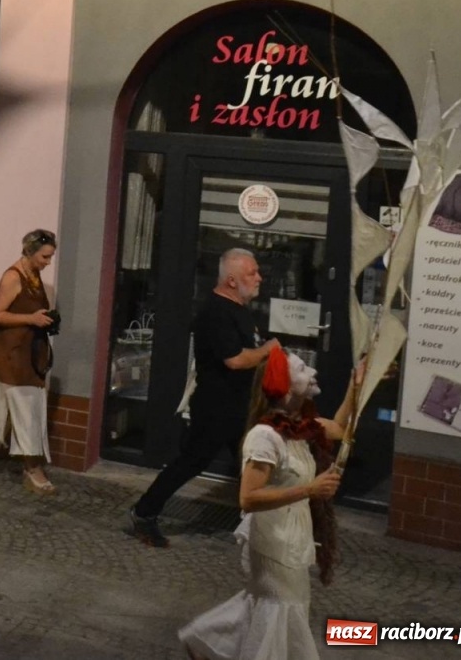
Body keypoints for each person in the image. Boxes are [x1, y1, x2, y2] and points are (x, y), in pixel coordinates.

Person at [178, 348, 361, 660]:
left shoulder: (300, 426)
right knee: (280, 607)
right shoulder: (265, 436)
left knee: (273, 606)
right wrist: (310, 489)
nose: (313, 372)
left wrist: (355, 386)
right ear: (285, 386)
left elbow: (341, 429)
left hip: (292, 534)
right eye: (302, 369)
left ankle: (203, 639)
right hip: (272, 539)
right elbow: (248, 498)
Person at [132, 248, 281, 547]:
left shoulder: (239, 308)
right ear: (231, 280)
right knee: (192, 461)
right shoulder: (216, 312)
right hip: (216, 407)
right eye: (252, 273)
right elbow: (235, 360)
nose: (259, 278)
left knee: (251, 462)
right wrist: (268, 350)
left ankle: (262, 522)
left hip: (239, 405)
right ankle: (144, 512)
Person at [0, 228, 61, 495]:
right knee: (24, 409)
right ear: (31, 252)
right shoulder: (13, 277)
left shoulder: (33, 275)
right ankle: (33, 468)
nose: (48, 262)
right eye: (45, 257)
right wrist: (31, 319)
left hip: (28, 353)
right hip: (11, 355)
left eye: (50, 257)